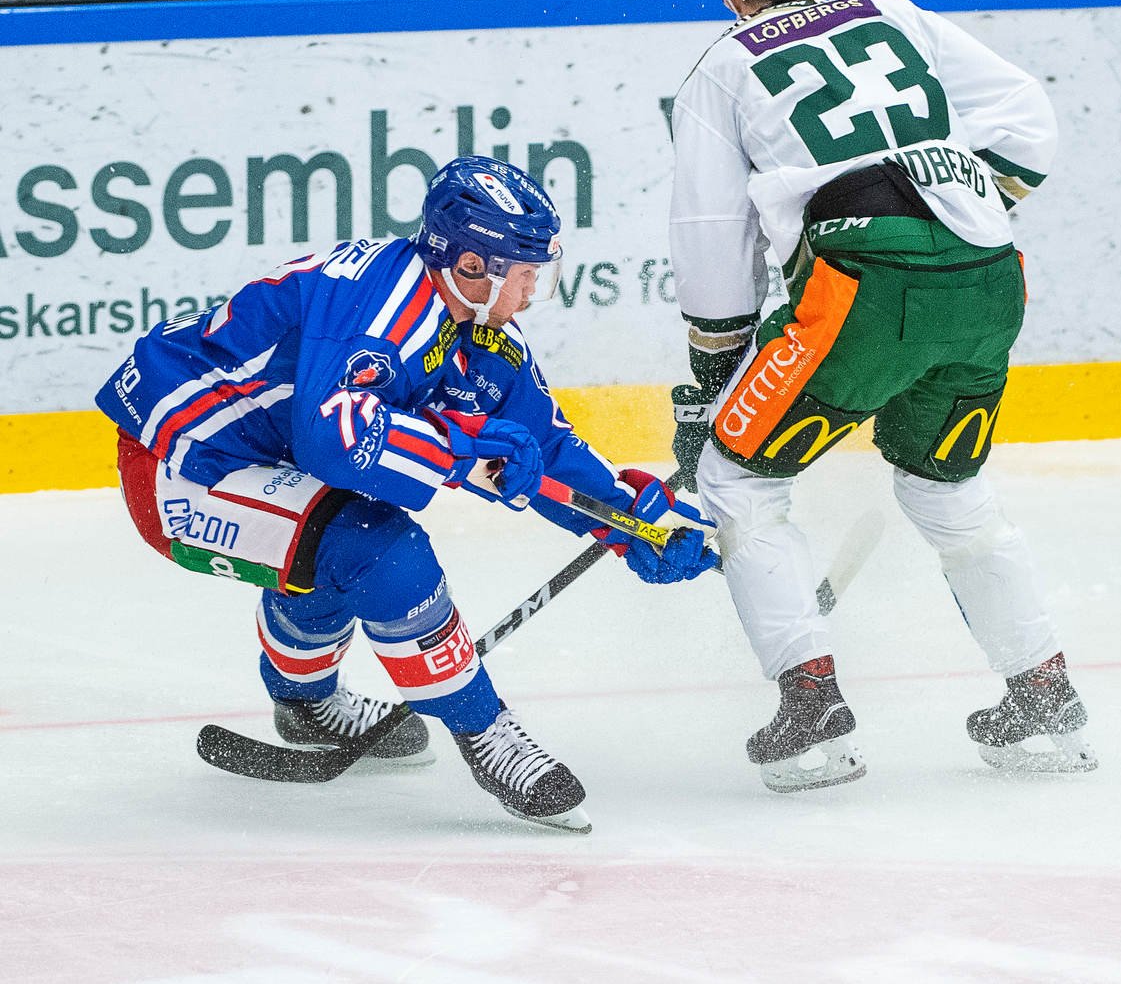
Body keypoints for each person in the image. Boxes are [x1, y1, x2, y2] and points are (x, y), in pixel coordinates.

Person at [95, 158, 719, 833]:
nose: (535, 287)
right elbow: (332, 437)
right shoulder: (381, 306)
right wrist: (457, 451)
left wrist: (631, 522)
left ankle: (304, 703)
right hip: (181, 462)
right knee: (376, 548)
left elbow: (549, 452)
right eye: (525, 270)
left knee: (337, 540)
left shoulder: (474, 329)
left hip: (259, 456)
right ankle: (486, 733)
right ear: (473, 264)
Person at [666, 0, 1095, 792]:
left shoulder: (720, 66)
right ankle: (1043, 694)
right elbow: (1027, 116)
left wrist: (713, 380)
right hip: (987, 275)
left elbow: (712, 232)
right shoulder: (896, 16)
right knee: (950, 491)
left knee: (737, 477)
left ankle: (809, 702)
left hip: (861, 286)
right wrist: (964, 210)